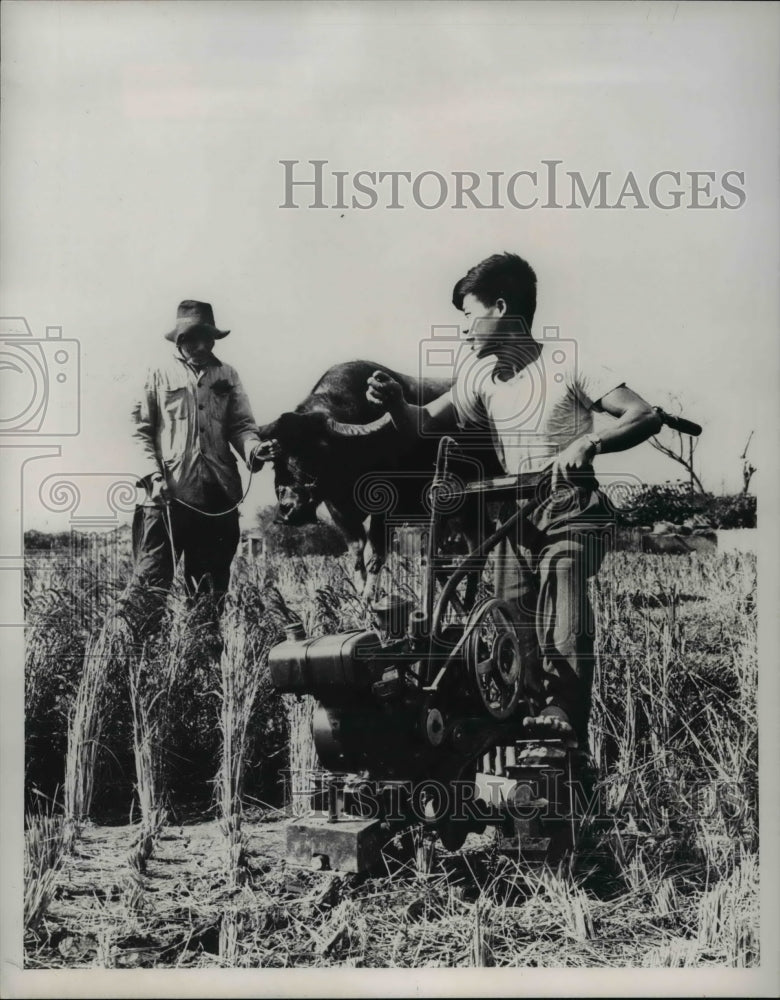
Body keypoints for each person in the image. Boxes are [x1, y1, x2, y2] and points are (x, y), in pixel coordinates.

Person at [365, 253, 661, 748]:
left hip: (571, 504)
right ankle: (520, 728)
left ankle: (563, 706)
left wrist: (590, 442)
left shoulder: (571, 365)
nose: (463, 330)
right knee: (507, 615)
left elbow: (643, 414)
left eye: (468, 313)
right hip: (512, 514)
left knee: (561, 576)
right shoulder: (482, 378)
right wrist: (396, 402)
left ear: (501, 308)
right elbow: (423, 423)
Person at [124, 299, 279, 640]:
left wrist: (255, 449)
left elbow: (241, 425)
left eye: (206, 338)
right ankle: (137, 664)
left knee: (209, 592)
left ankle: (202, 663)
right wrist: (153, 477)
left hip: (217, 497)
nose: (200, 346)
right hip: (165, 498)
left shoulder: (228, 374)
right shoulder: (156, 373)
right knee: (150, 585)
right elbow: (140, 431)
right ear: (178, 340)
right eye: (192, 338)